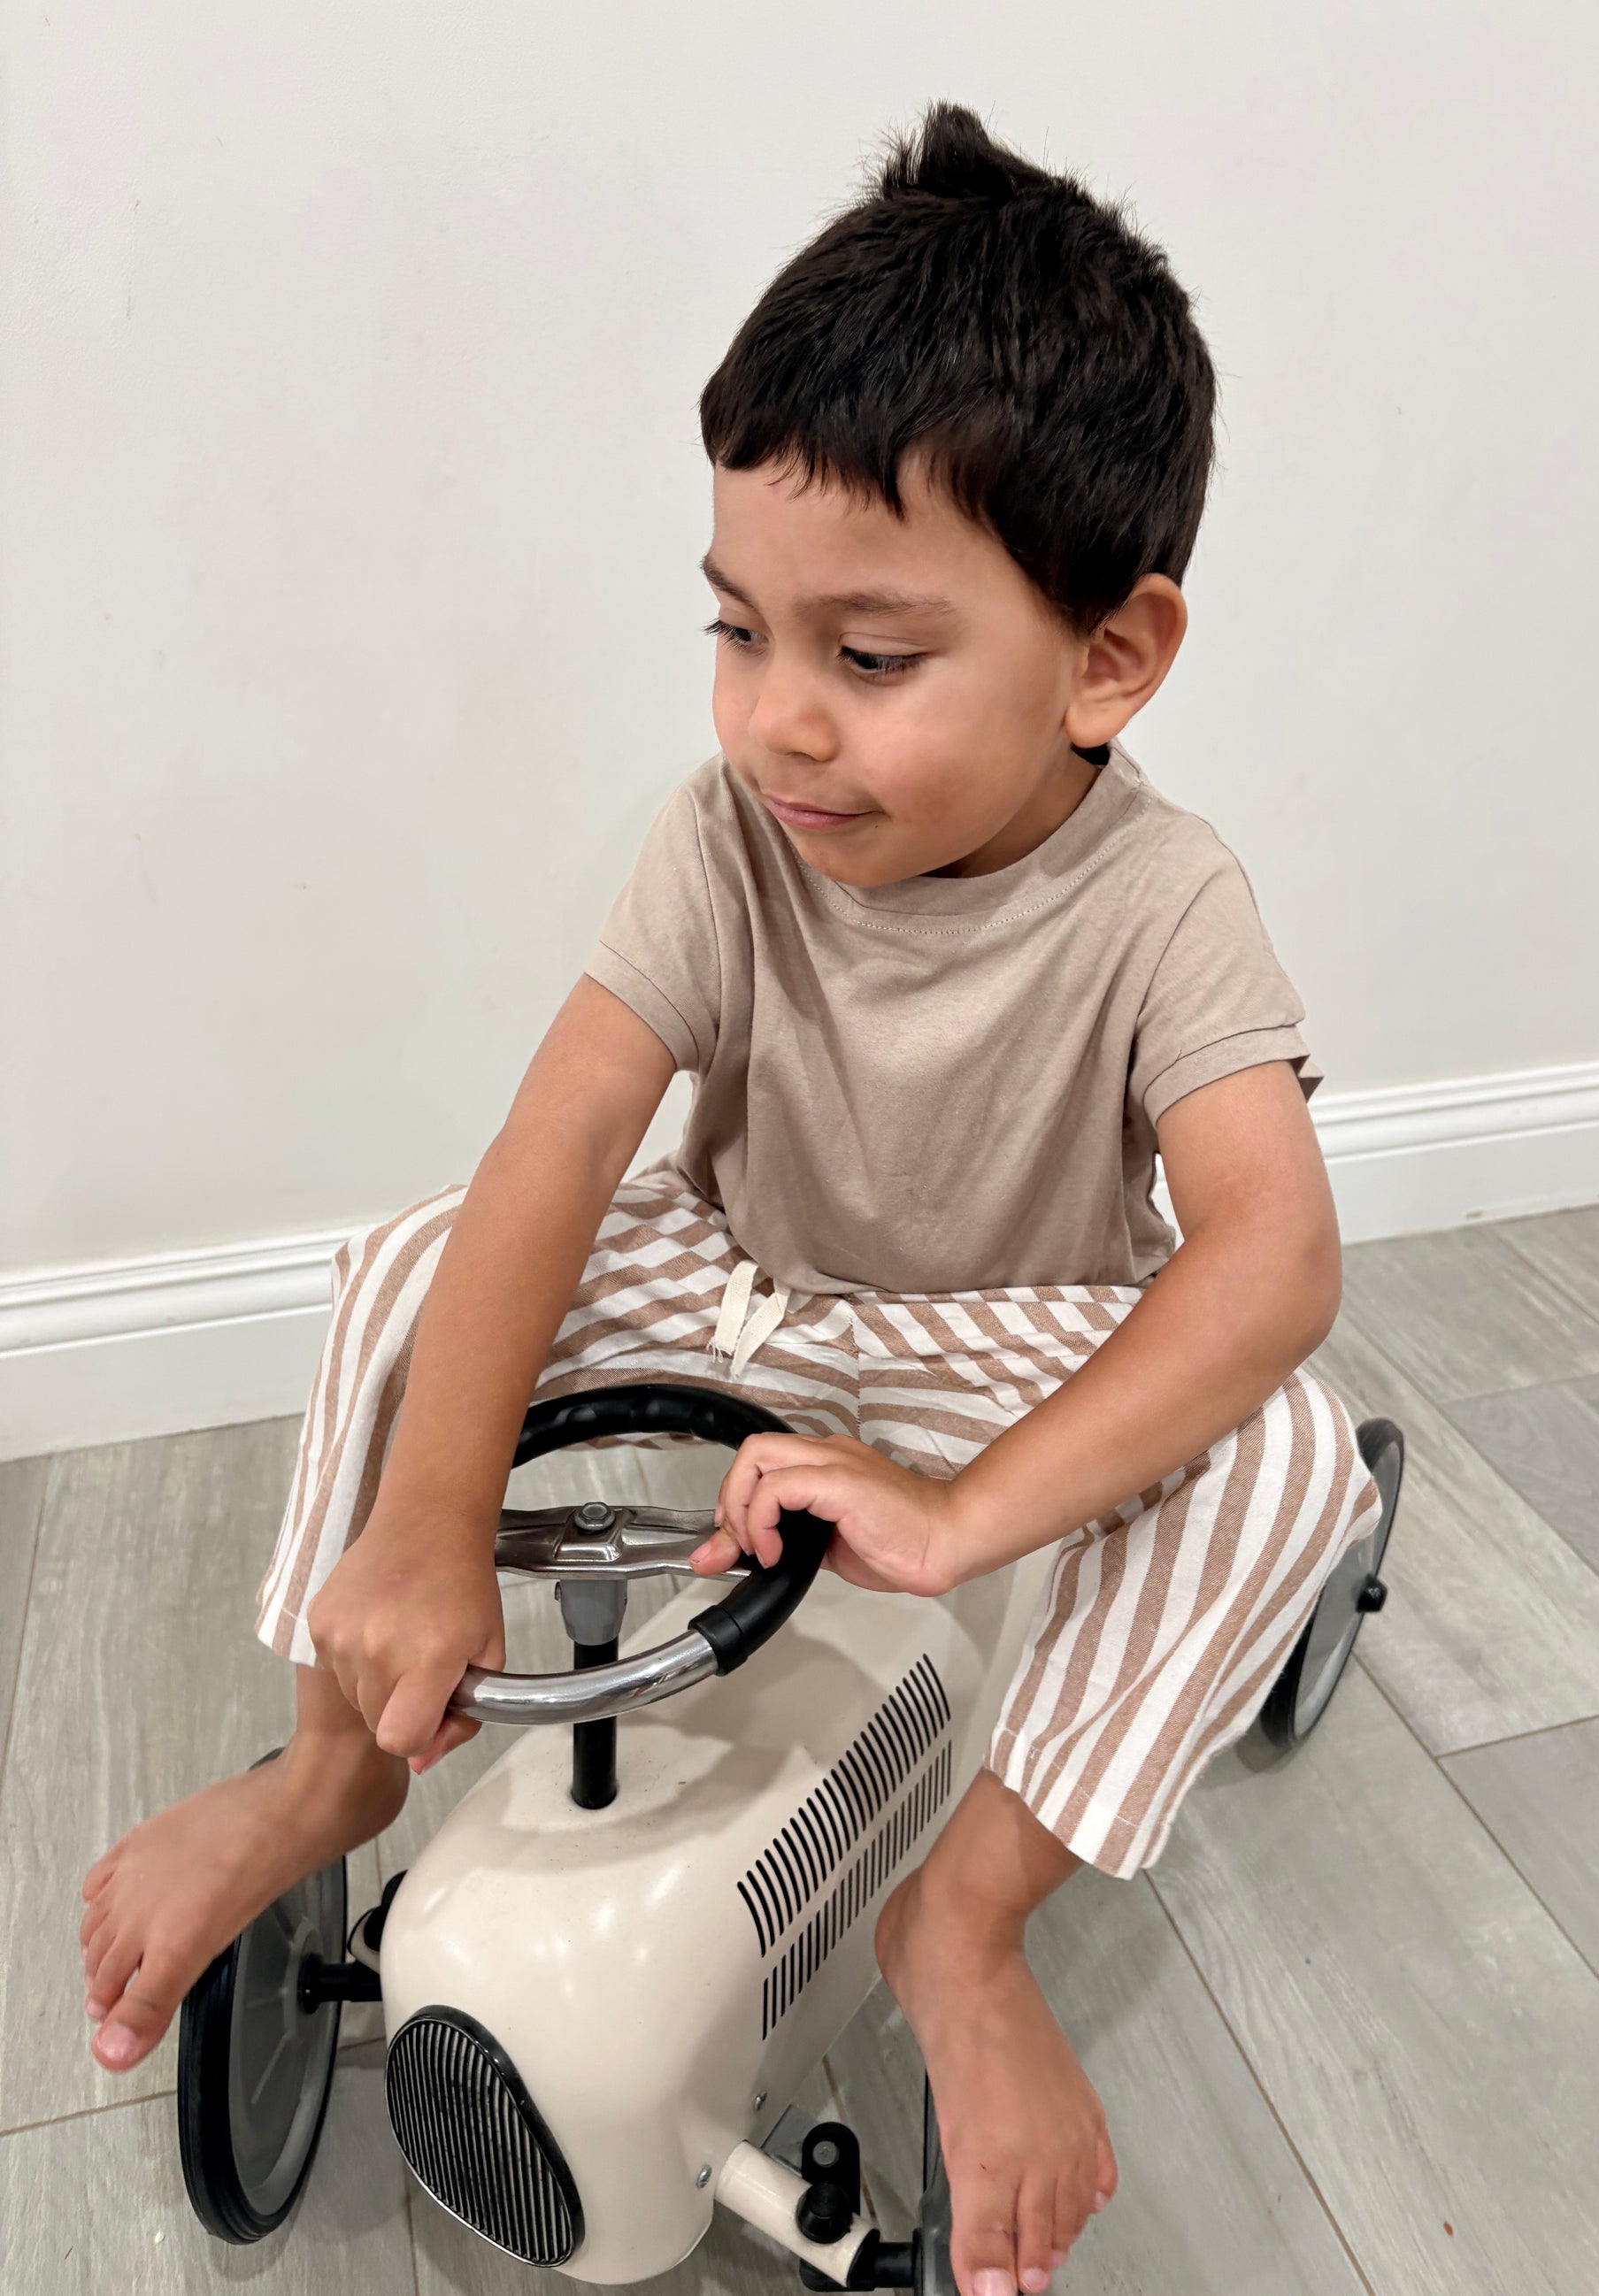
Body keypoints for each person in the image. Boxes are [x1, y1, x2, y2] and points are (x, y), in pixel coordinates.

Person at [80, 101, 1379, 2296]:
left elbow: (1276, 1252)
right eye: (734, 629)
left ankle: (958, 1920)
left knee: (1293, 1445)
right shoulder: (726, 831)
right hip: (745, 1271)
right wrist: (424, 1518)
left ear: (1109, 656)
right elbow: (564, 1141)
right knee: (411, 1260)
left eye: (867, 659)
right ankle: (329, 1768)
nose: (778, 723)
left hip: (1005, 1324)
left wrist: (967, 1517)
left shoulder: (1166, 900)